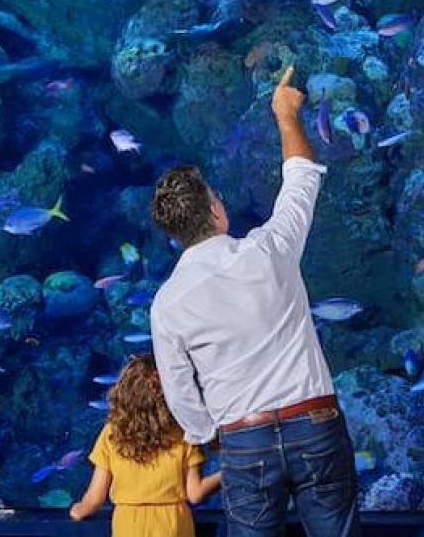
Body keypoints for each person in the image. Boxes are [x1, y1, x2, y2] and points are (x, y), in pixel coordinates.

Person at [148, 66, 361, 537]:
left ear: (174, 235)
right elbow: (302, 180)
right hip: (315, 423)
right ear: (217, 210)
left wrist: (211, 431)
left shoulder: (166, 305)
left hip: (243, 438)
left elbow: (180, 391)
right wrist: (285, 114)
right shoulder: (268, 251)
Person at [68, 354, 221, 536]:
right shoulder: (184, 432)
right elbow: (195, 494)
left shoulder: (112, 433)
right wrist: (229, 472)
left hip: (128, 524)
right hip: (173, 524)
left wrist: (80, 509)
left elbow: (95, 499)